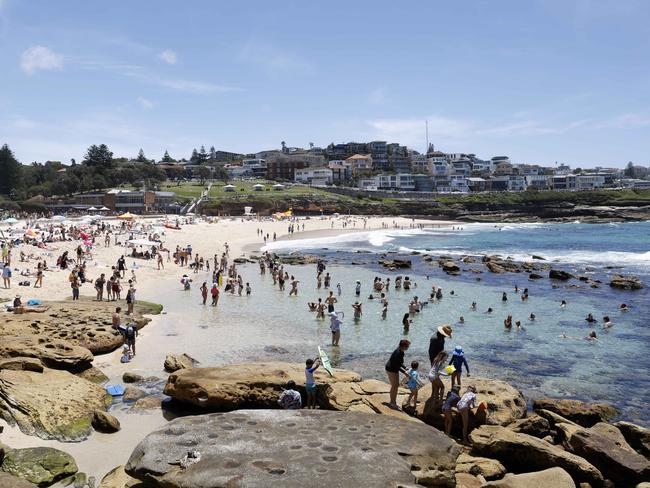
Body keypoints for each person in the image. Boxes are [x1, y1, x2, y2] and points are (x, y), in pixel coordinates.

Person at [385, 339, 410, 410]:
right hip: (391, 369)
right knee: (395, 386)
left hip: (392, 368)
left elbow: (399, 363)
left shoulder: (401, 351)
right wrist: (405, 372)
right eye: (407, 346)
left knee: (395, 386)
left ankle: (393, 402)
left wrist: (405, 368)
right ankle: (392, 403)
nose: (408, 348)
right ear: (403, 346)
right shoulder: (398, 352)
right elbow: (396, 365)